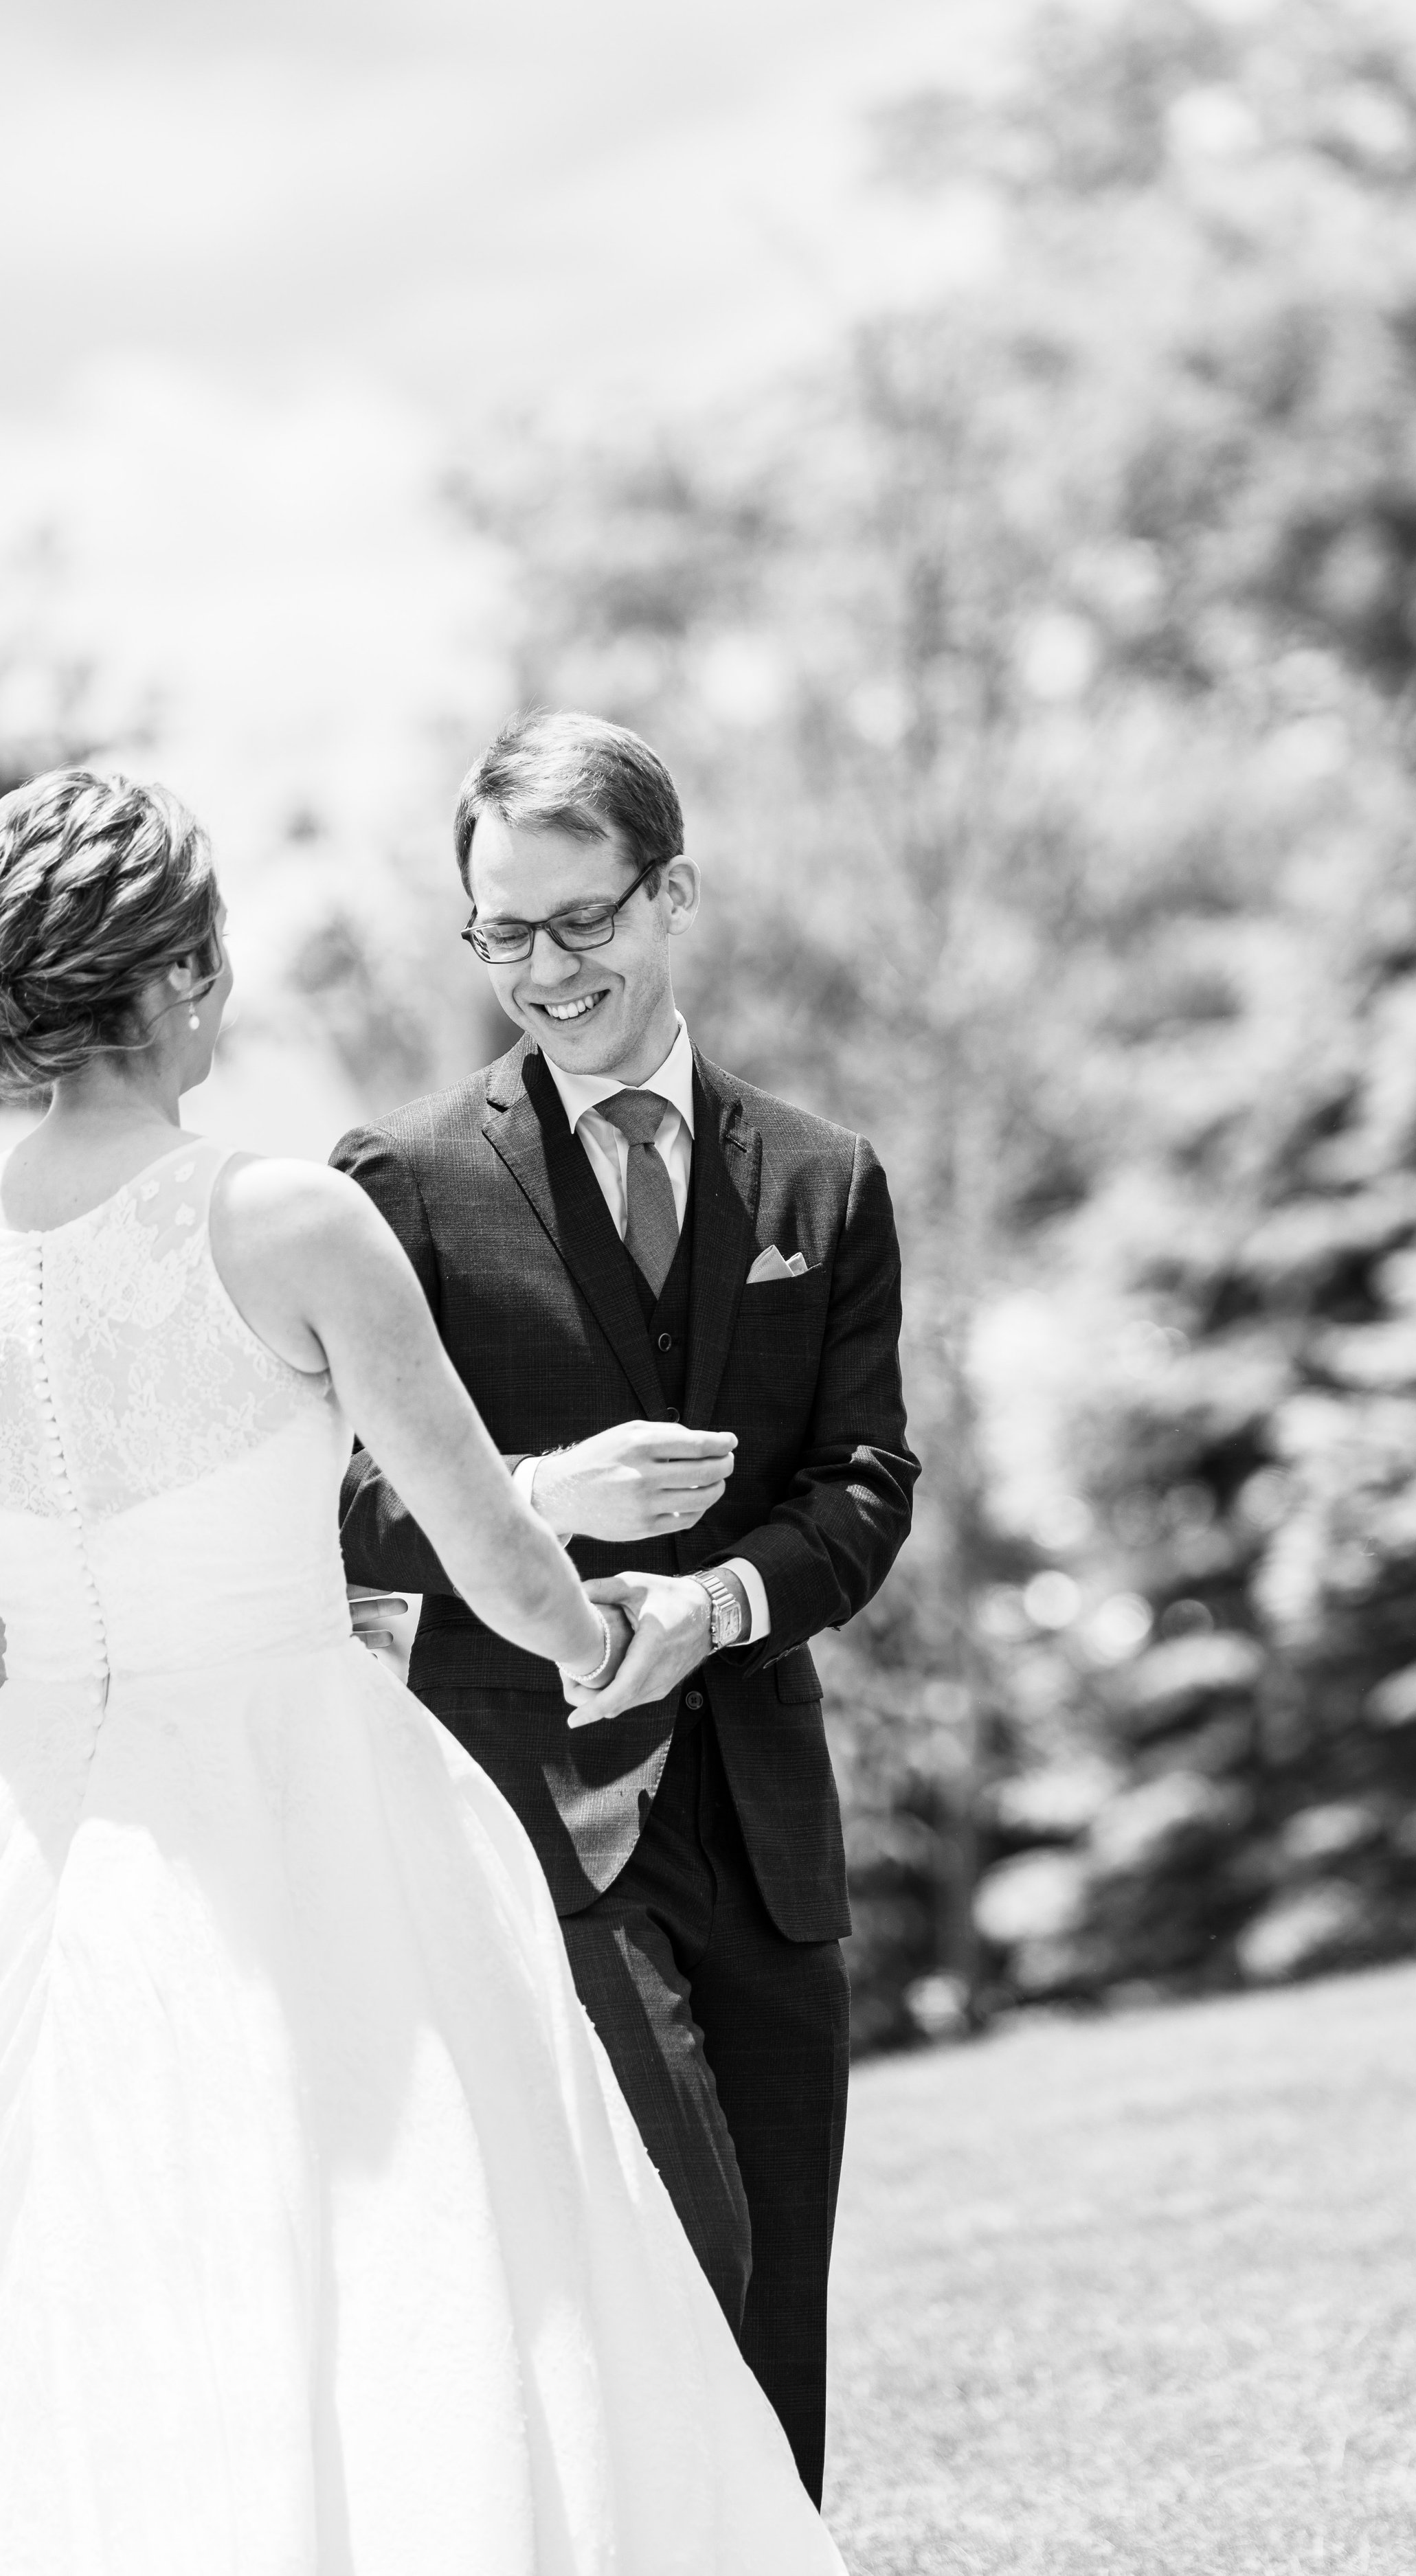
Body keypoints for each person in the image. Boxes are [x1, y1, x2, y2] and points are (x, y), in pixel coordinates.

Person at [0, 767, 846, 2573]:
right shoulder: (285, 1215)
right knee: (413, 2257)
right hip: (302, 1808)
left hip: (48, 1840)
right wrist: (614, 1632)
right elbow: (486, 1547)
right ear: (172, 983)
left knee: (124, 2283)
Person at [335, 710, 918, 2500]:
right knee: (639, 2289)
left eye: (578, 923)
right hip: (525, 1836)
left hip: (761, 1838)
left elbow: (864, 1487)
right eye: (500, 935)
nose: (543, 972)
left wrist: (730, 1598)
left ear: (671, 895)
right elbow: (338, 1510)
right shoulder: (402, 1191)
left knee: (772, 2322)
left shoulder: (822, 1180)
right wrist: (536, 1507)